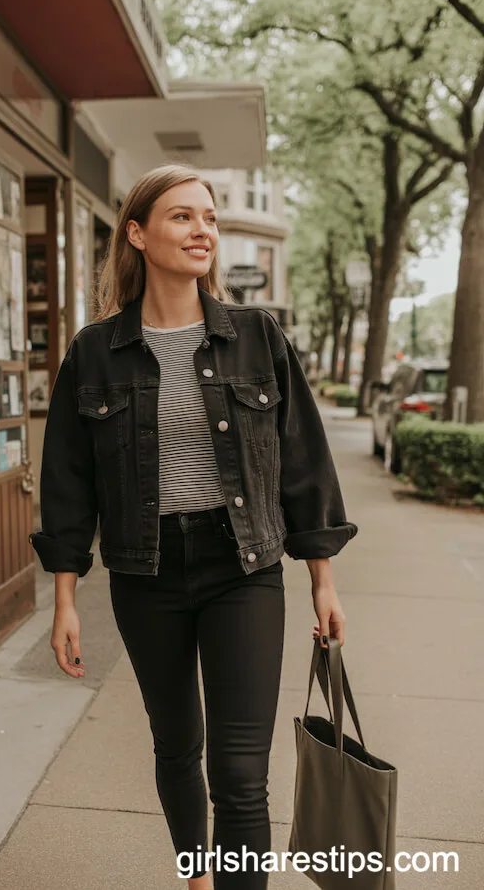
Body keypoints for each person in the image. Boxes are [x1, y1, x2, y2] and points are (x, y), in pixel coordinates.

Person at [29, 164, 358, 889]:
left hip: (243, 569)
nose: (202, 229)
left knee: (240, 773)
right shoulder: (94, 351)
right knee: (176, 747)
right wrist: (63, 600)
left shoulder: (255, 337)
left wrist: (322, 580)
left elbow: (303, 460)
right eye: (182, 217)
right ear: (138, 234)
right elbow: (67, 485)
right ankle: (196, 876)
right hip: (145, 574)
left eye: (209, 217)